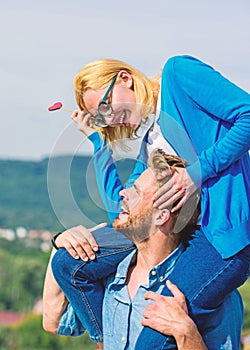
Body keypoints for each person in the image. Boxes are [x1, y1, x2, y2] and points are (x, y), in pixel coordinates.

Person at [50, 55, 250, 348]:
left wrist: (196, 172)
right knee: (68, 264)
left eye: (105, 107)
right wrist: (96, 140)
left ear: (124, 79)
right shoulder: (151, 146)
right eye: (100, 117)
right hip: (182, 235)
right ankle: (109, 340)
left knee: (154, 332)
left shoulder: (178, 74)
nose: (108, 119)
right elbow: (123, 213)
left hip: (219, 238)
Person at [44, 149, 244, 349]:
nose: (123, 192)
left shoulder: (209, 294)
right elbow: (54, 322)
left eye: (136, 192)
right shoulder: (108, 276)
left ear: (161, 216)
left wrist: (186, 332)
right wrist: (61, 245)